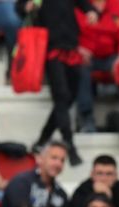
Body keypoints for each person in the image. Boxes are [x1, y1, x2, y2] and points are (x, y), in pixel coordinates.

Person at [26, 0, 100, 166]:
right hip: (50, 47)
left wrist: (91, 11)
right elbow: (22, 7)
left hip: (71, 46)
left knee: (68, 97)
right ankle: (69, 143)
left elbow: (85, 4)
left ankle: (42, 139)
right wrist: (27, 6)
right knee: (61, 96)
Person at [75, 0, 119, 133]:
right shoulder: (77, 5)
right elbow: (67, 32)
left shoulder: (118, 5)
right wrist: (78, 49)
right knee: (80, 67)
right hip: (84, 55)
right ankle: (86, 118)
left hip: (110, 56)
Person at [0, 141, 73, 207]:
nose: (58, 163)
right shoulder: (21, 182)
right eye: (54, 158)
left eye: (62, 160)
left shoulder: (61, 193)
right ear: (39, 159)